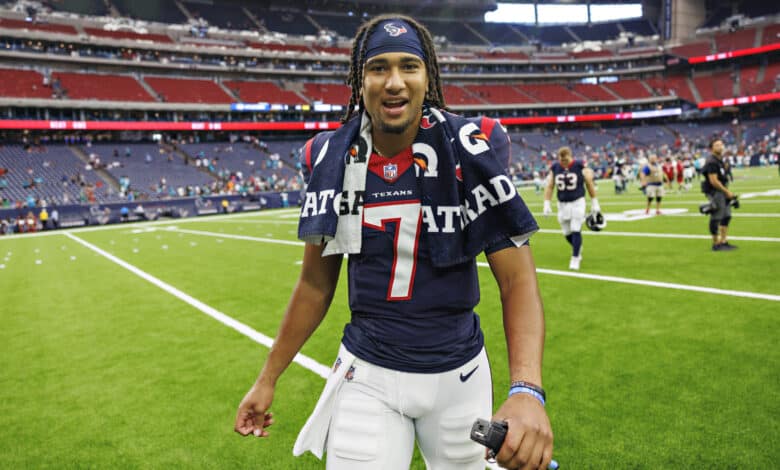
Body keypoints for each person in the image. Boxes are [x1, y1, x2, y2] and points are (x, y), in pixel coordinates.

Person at [235, 14, 553, 470]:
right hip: (368, 373)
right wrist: (268, 377)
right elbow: (315, 285)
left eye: (409, 66)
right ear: (359, 80)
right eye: (379, 67)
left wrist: (526, 389)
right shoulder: (330, 156)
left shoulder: (472, 144)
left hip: (459, 375)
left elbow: (516, 280)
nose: (394, 82)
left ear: (428, 76)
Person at [543, 146, 600, 271]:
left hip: (577, 202)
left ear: (571, 156)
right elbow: (550, 186)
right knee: (566, 232)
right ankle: (577, 247)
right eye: (561, 160)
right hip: (562, 204)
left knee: (575, 228)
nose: (564, 162)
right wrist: (546, 203)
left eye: (566, 160)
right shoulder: (555, 167)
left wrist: (595, 202)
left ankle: (575, 257)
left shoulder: (579, 165)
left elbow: (589, 183)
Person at [701, 138, 737, 251]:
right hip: (715, 191)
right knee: (716, 217)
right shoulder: (711, 161)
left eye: (721, 144)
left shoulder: (719, 160)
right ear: (711, 148)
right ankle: (716, 244)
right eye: (717, 145)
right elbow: (714, 181)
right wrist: (727, 192)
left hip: (722, 190)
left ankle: (723, 241)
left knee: (727, 216)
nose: (720, 147)